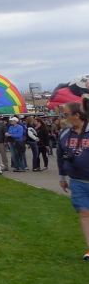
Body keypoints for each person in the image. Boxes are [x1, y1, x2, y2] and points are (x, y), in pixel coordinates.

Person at [56, 107, 89, 262]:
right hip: (77, 181)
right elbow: (60, 157)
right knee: (84, 213)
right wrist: (62, 177)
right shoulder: (64, 134)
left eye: (67, 114)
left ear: (77, 115)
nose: (64, 117)